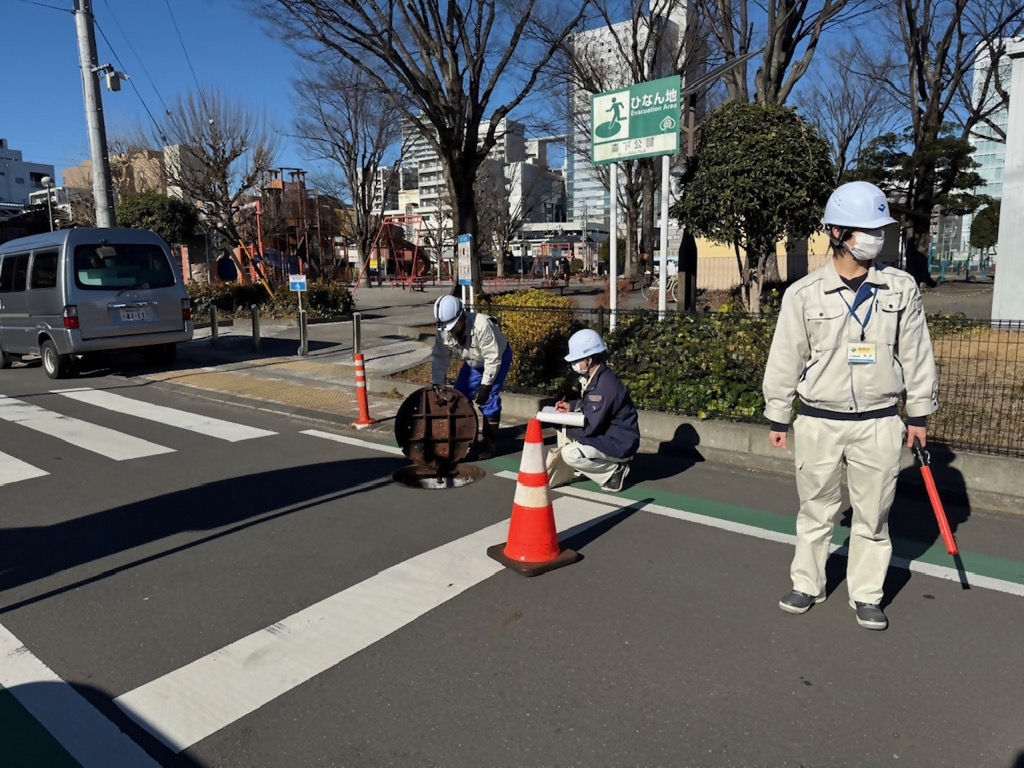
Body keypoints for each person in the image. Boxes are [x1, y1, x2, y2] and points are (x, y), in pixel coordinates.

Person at [762, 180, 939, 631]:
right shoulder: (802, 294)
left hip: (880, 421)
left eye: (879, 228)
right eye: (865, 229)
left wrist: (918, 414)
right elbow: (785, 357)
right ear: (837, 231)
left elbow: (918, 353)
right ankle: (807, 582)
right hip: (820, 419)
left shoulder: (899, 288)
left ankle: (866, 594)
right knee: (815, 509)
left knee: (873, 513)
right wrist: (778, 414)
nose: (876, 237)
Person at [547, 329, 640, 493]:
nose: (573, 364)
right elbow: (589, 405)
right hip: (613, 435)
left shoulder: (603, 385)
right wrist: (573, 406)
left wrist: (557, 422)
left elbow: (590, 427)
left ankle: (612, 473)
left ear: (589, 360)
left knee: (570, 453)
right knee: (567, 431)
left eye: (576, 360)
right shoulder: (597, 377)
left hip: (619, 442)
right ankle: (589, 466)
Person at [431, 295, 513, 459]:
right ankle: (466, 438)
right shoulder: (444, 332)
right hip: (474, 362)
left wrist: (486, 385)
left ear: (461, 316)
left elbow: (492, 358)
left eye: (453, 326)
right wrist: (437, 384)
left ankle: (489, 445)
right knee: (459, 397)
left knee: (489, 400)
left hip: (498, 357)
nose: (451, 331)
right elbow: (440, 358)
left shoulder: (482, 325)